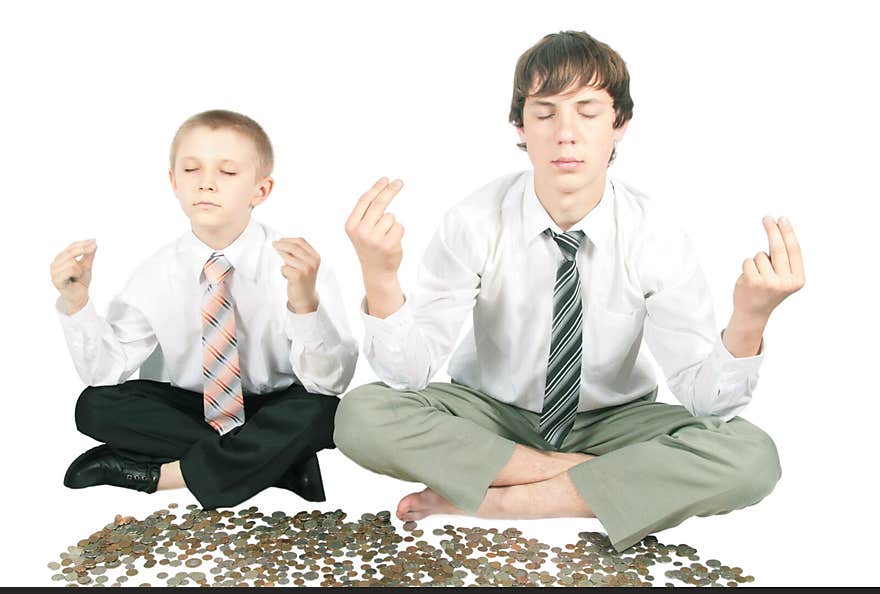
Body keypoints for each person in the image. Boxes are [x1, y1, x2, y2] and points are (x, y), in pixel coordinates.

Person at [334, 31, 805, 552]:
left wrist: (751, 316)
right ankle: (592, 480)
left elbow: (706, 402)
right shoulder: (474, 220)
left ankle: (506, 499)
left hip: (612, 421)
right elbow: (407, 374)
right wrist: (379, 275)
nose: (566, 134)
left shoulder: (655, 232)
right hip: (489, 415)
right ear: (519, 125)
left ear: (619, 124)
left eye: (588, 111)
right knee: (360, 416)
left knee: (751, 456)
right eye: (545, 113)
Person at [50, 109, 357, 509]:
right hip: (193, 409)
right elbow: (106, 373)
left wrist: (303, 302)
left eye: (227, 173)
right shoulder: (154, 273)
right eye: (192, 170)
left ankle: (160, 476)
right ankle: (279, 464)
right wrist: (77, 303)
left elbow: (327, 383)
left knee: (325, 413)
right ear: (174, 183)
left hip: (276, 404)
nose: (207, 184)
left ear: (260, 191)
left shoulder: (296, 264)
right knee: (93, 407)